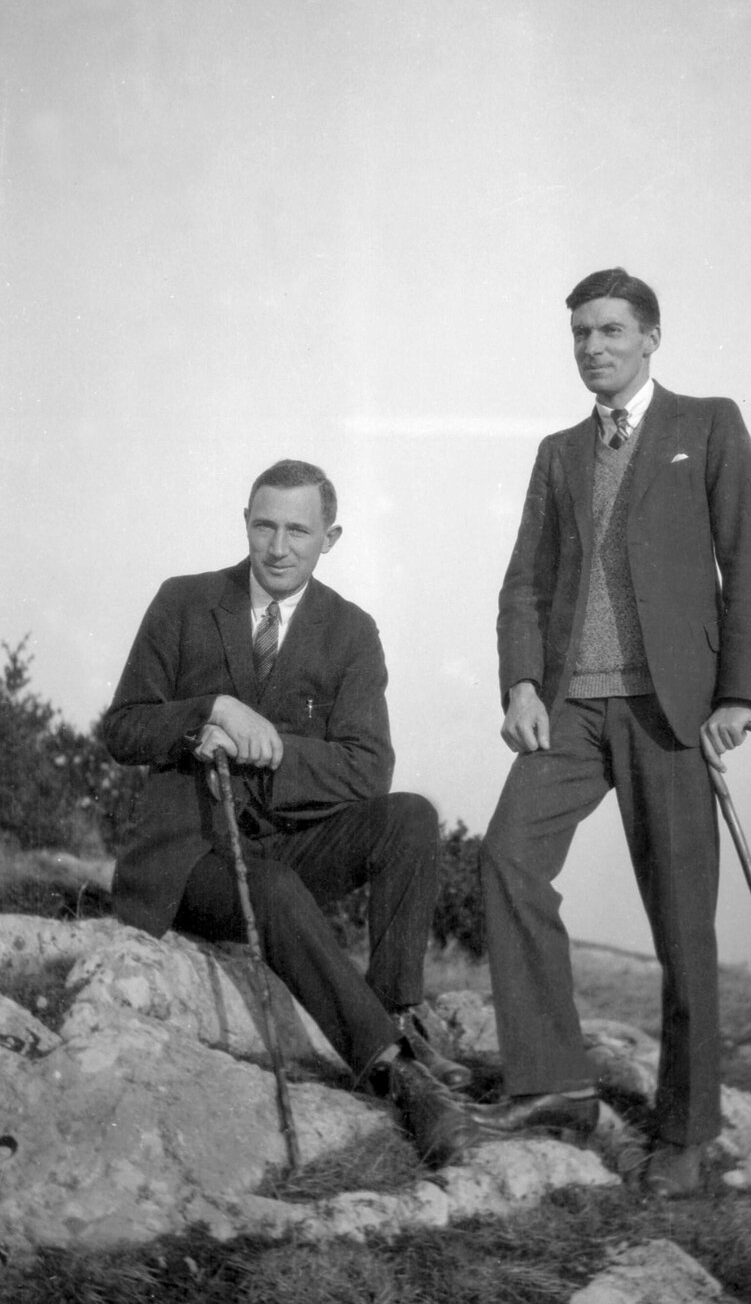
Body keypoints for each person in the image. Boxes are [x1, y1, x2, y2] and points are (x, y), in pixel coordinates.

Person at [470, 269, 751, 1195]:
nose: (593, 348)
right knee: (506, 857)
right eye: (579, 334)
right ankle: (554, 1082)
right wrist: (523, 681)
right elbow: (523, 579)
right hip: (570, 707)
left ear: (651, 338)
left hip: (671, 709)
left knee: (682, 922)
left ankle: (685, 1131)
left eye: (610, 331)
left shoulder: (708, 424)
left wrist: (739, 694)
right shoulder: (558, 450)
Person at [103, 458, 476, 1168]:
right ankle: (398, 1077)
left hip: (289, 847)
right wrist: (207, 710)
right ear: (245, 520)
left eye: (298, 530)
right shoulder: (182, 601)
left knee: (410, 818)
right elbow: (123, 727)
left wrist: (269, 750)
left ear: (329, 537)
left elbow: (369, 767)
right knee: (275, 892)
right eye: (264, 525)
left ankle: (393, 1011)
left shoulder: (351, 631)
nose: (278, 546)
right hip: (191, 859)